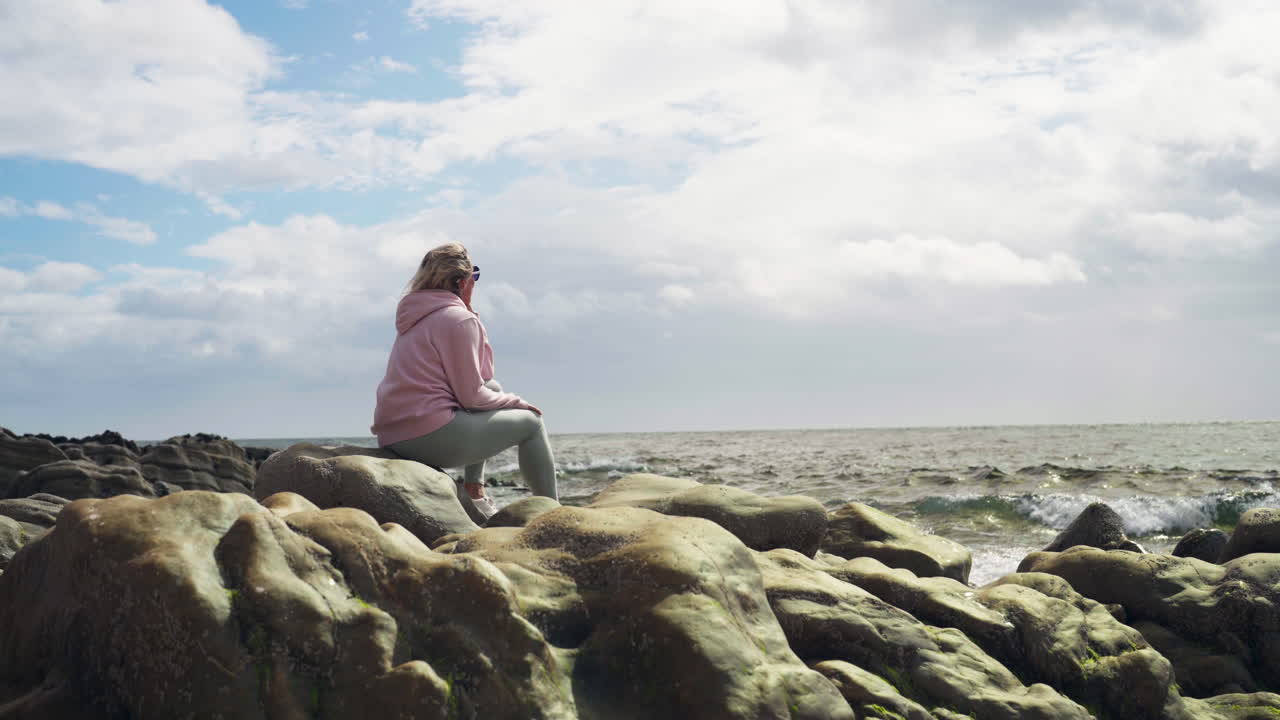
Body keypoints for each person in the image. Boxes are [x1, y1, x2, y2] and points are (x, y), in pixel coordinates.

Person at [371, 242, 557, 522]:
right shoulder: (458, 320)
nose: (475, 282)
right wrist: (519, 403)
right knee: (531, 423)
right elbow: (472, 395)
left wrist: (471, 316)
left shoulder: (415, 316)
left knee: (493, 391)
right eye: (475, 275)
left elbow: (484, 379)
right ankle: (554, 514)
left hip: (394, 434)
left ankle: (474, 490)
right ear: (462, 281)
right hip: (427, 436)